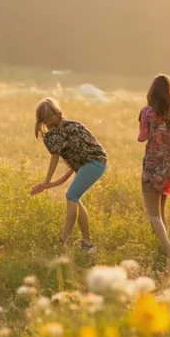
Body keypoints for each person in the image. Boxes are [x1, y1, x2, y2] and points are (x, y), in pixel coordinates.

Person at [30, 97, 107, 251]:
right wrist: (47, 185)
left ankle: (62, 242)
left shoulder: (54, 135)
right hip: (98, 163)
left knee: (71, 196)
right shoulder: (73, 126)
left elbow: (55, 156)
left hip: (93, 164)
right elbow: (72, 169)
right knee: (75, 198)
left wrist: (46, 180)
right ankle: (87, 243)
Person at [139, 75, 170, 263]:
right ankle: (165, 252)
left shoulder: (147, 112)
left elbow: (142, 137)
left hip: (154, 164)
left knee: (152, 214)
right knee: (161, 211)